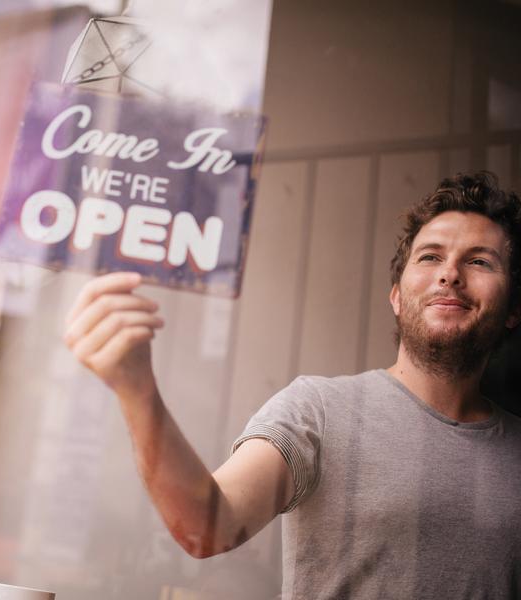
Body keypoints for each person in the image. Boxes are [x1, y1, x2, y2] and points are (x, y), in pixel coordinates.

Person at [63, 171, 521, 599]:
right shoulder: (319, 410)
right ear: (397, 297)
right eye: (430, 256)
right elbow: (208, 527)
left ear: (513, 310)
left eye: (479, 261)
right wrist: (138, 390)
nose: (450, 273)